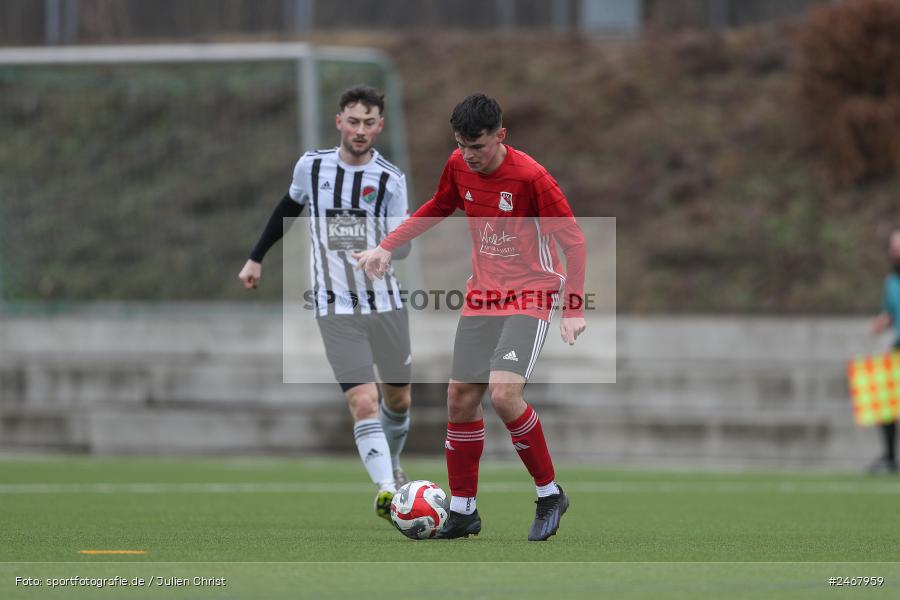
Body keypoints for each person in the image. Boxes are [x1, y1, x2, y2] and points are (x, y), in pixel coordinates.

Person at [354, 93, 587, 541]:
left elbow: (573, 241)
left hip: (531, 294)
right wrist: (387, 245)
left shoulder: (531, 177)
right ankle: (463, 512)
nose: (468, 155)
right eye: (461, 145)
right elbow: (439, 205)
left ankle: (549, 494)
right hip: (482, 297)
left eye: (476, 146)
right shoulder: (458, 165)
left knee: (503, 394)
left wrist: (573, 307)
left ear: (500, 136)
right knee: (460, 398)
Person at [238, 84, 415, 522]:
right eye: (352, 121)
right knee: (364, 401)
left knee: (399, 401)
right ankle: (387, 490)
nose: (360, 130)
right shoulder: (312, 167)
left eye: (368, 122)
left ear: (380, 126)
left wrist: (384, 251)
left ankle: (392, 466)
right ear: (339, 122)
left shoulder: (390, 179)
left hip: (385, 303)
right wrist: (256, 257)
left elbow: (406, 243)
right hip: (335, 307)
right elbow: (287, 209)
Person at [868, 226, 900, 474]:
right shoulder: (891, 283)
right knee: (884, 398)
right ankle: (889, 457)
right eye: (894, 246)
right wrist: (883, 322)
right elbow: (891, 313)